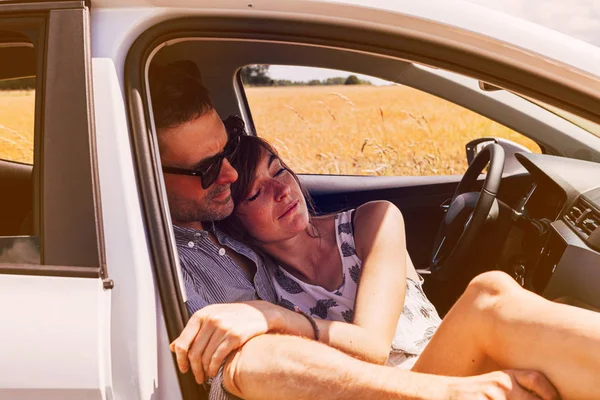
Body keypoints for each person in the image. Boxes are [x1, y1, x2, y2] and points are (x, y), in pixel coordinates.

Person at [151, 60, 561, 400]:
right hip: (384, 383)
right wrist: (443, 391)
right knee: (491, 302)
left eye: (225, 152)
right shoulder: (158, 261)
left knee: (491, 293)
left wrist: (269, 314)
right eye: (207, 169)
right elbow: (249, 365)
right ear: (147, 170)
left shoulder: (224, 231)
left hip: (402, 375)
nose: (227, 172)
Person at [199, 133, 600, 399]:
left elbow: (371, 342)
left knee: (556, 306)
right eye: (256, 193)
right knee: (488, 294)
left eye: (279, 169)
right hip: (396, 392)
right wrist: (268, 312)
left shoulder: (373, 219)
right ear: (235, 219)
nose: (282, 190)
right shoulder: (262, 283)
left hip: (445, 368)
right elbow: (373, 358)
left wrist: (276, 319)